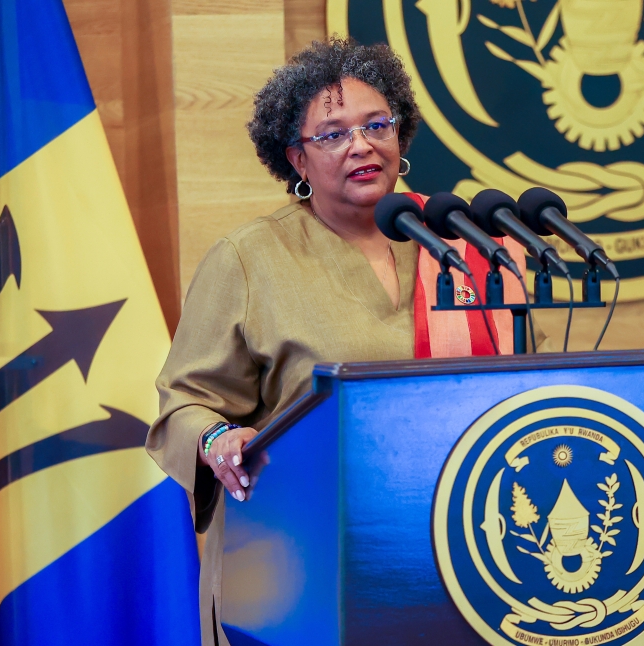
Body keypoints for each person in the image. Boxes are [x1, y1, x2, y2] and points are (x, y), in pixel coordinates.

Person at [145, 37, 531, 644]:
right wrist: (219, 439)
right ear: (297, 160)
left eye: (378, 124)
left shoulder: (468, 245)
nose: (361, 144)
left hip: (459, 546)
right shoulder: (248, 259)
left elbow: (522, 393)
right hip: (298, 557)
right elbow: (183, 405)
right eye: (332, 134)